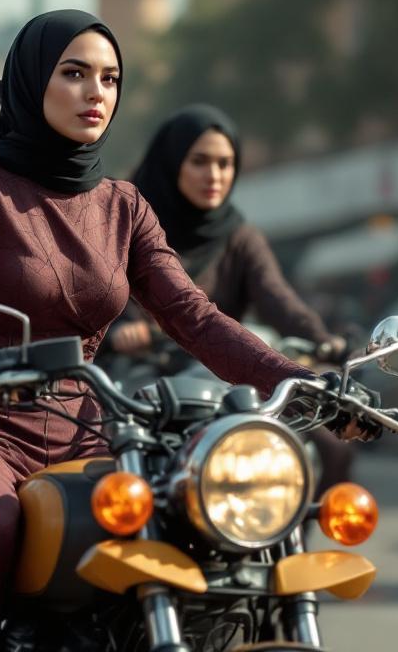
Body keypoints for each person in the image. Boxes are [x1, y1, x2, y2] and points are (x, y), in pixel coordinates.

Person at [0, 9, 319, 652]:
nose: (96, 93)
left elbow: (194, 316)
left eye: (111, 79)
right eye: (75, 73)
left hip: (92, 436)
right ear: (34, 82)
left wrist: (303, 380)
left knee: (197, 521)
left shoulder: (124, 205)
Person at [110, 105, 355, 491]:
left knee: (327, 445)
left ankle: (292, 543)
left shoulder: (239, 236)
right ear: (171, 163)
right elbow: (103, 289)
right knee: (104, 458)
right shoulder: (129, 221)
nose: (215, 176)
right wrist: (124, 328)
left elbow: (278, 299)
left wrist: (323, 339)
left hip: (223, 374)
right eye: (200, 162)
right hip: (136, 375)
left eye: (225, 163)